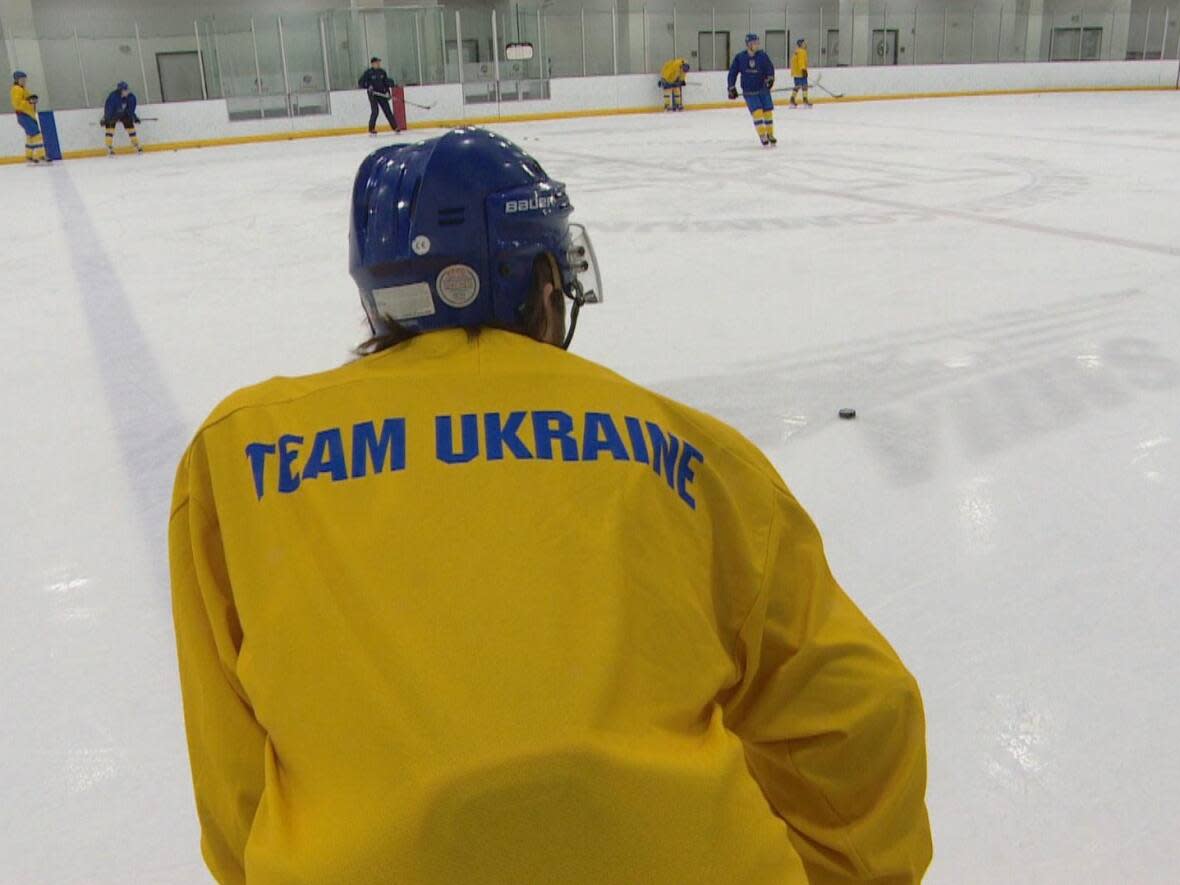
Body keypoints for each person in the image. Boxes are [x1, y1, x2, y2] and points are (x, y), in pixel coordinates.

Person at [169, 127, 932, 885]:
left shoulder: (239, 457)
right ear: (542, 285)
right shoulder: (694, 456)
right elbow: (859, 714)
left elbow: (235, 782)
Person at [727, 33, 777, 146]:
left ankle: (770, 134)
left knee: (768, 112)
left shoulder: (763, 56)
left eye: (757, 43)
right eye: (754, 43)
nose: (757, 45)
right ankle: (763, 135)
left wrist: (770, 78)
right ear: (748, 44)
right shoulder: (740, 57)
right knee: (757, 112)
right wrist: (731, 87)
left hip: (763, 90)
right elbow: (732, 73)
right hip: (749, 92)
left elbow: (770, 68)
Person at [10, 70, 49, 165]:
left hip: (27, 115)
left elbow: (27, 98)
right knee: (36, 134)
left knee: (30, 136)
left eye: (24, 79)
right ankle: (41, 155)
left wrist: (32, 99)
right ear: (17, 80)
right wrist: (30, 102)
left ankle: (29, 156)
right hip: (24, 115)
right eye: (22, 79)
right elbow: (17, 104)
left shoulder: (23, 89)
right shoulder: (17, 89)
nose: (24, 81)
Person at [358, 56, 399, 134]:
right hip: (373, 94)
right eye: (377, 62)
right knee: (375, 111)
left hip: (382, 94)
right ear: (373, 64)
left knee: (387, 110)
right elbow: (361, 83)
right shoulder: (368, 73)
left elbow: (385, 83)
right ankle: (371, 128)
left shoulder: (382, 72)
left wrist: (388, 93)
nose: (378, 64)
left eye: (379, 62)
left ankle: (395, 127)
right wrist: (368, 86)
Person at [101, 81, 142, 155]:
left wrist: (134, 117)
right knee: (110, 127)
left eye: (127, 89)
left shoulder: (131, 97)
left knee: (130, 125)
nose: (127, 91)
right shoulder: (113, 97)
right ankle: (109, 146)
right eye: (125, 90)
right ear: (120, 91)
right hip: (113, 114)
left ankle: (135, 144)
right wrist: (106, 118)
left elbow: (130, 110)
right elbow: (109, 109)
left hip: (124, 113)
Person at [790, 38, 812, 108]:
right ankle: (805, 101)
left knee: (797, 86)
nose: (805, 44)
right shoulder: (802, 52)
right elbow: (801, 61)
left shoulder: (797, 51)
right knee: (804, 86)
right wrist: (803, 70)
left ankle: (792, 100)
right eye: (804, 43)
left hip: (796, 72)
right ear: (801, 44)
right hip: (800, 72)